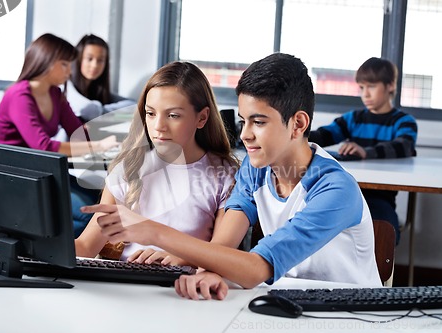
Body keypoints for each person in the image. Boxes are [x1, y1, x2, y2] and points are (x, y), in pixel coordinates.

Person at [81, 52, 382, 300]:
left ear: (298, 123)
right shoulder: (255, 170)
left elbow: (254, 269)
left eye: (259, 122)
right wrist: (207, 268)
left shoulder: (335, 190)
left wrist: (152, 231)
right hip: (290, 302)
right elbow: (221, 248)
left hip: (350, 311)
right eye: (243, 121)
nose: (246, 135)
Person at [75, 61, 239, 263]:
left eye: (173, 115)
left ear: (202, 118)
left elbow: (222, 253)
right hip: (125, 284)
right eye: (151, 114)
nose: (158, 126)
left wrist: (179, 258)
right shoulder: (129, 167)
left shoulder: (224, 175)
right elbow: (85, 247)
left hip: (182, 287)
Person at [0, 33, 119, 237]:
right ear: (47, 62)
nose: (70, 70)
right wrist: (98, 147)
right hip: (11, 175)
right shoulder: (18, 95)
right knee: (90, 217)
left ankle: (48, 247)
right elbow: (44, 146)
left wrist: (117, 140)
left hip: (40, 171)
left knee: (101, 203)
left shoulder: (55, 94)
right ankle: (41, 249)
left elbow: (78, 132)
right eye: (65, 64)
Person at [309, 57, 418, 244]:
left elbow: (404, 146)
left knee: (383, 235)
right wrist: (294, 133)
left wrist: (366, 152)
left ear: (390, 85)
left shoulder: (404, 122)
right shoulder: (353, 119)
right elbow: (324, 135)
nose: (365, 94)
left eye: (372, 87)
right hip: (345, 193)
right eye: (361, 87)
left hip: (380, 199)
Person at [68, 34, 135, 122]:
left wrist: (102, 113)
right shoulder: (65, 87)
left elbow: (135, 106)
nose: (94, 65)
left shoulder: (98, 90)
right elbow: (88, 110)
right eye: (89, 59)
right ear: (79, 59)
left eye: (100, 60)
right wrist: (111, 115)